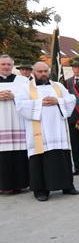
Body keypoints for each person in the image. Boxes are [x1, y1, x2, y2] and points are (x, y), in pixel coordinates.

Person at [15, 62, 79, 202]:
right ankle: (41, 190)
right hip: (39, 133)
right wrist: (39, 103)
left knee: (61, 157)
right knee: (39, 159)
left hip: (58, 131)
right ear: (33, 73)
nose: (43, 74)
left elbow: (71, 99)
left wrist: (58, 101)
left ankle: (67, 185)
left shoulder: (58, 86)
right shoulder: (26, 88)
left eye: (45, 71)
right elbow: (19, 104)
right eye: (40, 72)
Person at [0, 55, 30, 193]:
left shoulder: (22, 81)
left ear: (12, 66)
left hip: (17, 123)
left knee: (18, 153)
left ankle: (19, 184)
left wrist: (14, 97)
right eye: (3, 64)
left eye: (8, 64)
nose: (6, 67)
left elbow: (29, 98)